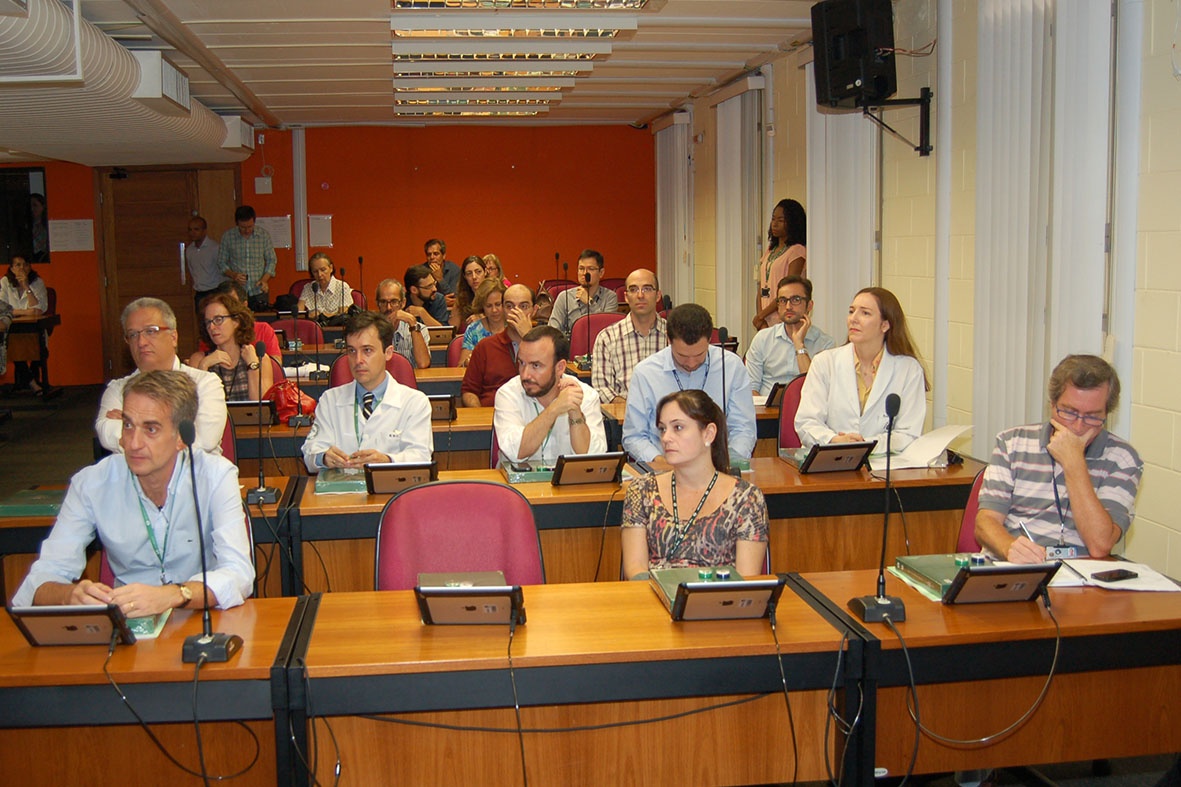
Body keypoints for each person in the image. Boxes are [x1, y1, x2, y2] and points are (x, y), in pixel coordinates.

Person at [13, 370, 254, 614]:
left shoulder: (215, 476)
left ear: (182, 437)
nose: (132, 443)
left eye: (150, 429)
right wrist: (68, 595)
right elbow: (40, 579)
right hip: (128, 627)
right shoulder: (91, 483)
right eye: (128, 425)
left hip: (200, 619)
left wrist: (174, 594)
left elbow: (239, 573)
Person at [975, 354, 1143, 563]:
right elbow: (986, 521)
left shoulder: (1123, 459)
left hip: (1081, 576)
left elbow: (1100, 545)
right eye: (1069, 412)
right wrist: (1008, 547)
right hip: (1016, 566)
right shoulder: (1012, 443)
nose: (1078, 426)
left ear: (1107, 413)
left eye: (1092, 416)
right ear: (1052, 404)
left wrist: (1074, 463)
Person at [621, 390, 769, 580]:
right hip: (654, 601)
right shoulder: (641, 490)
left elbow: (745, 580)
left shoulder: (746, 498)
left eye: (678, 428)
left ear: (708, 434)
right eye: (662, 429)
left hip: (719, 603)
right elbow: (635, 570)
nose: (666, 438)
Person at [795, 287, 927, 453]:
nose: (853, 319)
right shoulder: (825, 362)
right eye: (851, 311)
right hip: (830, 460)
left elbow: (908, 433)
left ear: (885, 325)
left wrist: (865, 444)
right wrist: (835, 440)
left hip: (884, 465)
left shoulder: (909, 369)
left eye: (865, 313)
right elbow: (807, 422)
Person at [622, 303, 755, 465]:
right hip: (665, 465)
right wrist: (661, 462)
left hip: (718, 467)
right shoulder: (646, 373)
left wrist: (730, 461)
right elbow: (634, 437)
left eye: (699, 354)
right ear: (669, 340)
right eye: (682, 355)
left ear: (709, 340)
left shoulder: (731, 366)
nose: (691, 363)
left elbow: (743, 429)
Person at [301, 310, 432, 472]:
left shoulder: (415, 402)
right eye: (352, 351)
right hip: (342, 493)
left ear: (388, 353)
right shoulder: (330, 400)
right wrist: (323, 458)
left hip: (391, 491)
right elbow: (310, 454)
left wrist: (388, 460)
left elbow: (421, 456)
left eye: (367, 350)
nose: (358, 360)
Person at [96, 298, 227, 454]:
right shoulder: (117, 390)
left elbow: (203, 441)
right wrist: (173, 429)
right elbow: (106, 432)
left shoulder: (204, 384)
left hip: (195, 476)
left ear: (173, 337)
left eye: (151, 331)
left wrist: (133, 426)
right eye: (132, 335)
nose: (141, 342)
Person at [493, 326, 607, 466]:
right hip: (518, 486)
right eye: (521, 363)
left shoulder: (586, 395)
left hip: (570, 485)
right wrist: (554, 409)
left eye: (536, 365)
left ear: (560, 367)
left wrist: (575, 413)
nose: (525, 374)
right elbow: (516, 452)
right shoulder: (508, 394)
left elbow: (593, 459)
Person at [745, 275, 835, 394]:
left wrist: (799, 345)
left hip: (806, 410)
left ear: (809, 305)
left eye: (796, 300)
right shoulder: (763, 339)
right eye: (783, 300)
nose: (788, 307)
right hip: (766, 410)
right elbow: (750, 388)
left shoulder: (825, 344)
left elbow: (816, 390)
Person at [591, 268, 667, 404]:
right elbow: (602, 389)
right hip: (624, 418)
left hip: (669, 417)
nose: (640, 295)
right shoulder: (607, 338)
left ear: (658, 295)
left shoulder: (673, 336)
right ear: (626, 297)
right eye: (633, 289)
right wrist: (632, 410)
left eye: (647, 289)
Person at [188, 293, 273, 401]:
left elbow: (261, 408)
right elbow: (194, 408)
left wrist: (252, 366)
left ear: (236, 321)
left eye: (218, 319)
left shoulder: (260, 358)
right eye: (208, 322)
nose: (212, 327)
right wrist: (204, 366)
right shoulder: (199, 359)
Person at [461, 284, 534, 407]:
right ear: (503, 310)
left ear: (534, 310)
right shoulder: (485, 346)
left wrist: (528, 337)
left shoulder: (546, 345)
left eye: (523, 306)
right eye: (509, 306)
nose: (516, 312)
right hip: (492, 415)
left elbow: (553, 385)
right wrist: (480, 415)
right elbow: (469, 392)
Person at [752, 199, 807, 331]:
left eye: (781, 221)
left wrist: (761, 316)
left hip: (783, 319)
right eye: (773, 219)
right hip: (765, 319)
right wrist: (761, 319)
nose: (774, 224)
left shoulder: (797, 251)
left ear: (792, 223)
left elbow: (789, 288)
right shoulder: (770, 250)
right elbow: (761, 287)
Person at [1, 254, 49, 393]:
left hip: (33, 328)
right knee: (13, 346)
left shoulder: (37, 282)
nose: (22, 268)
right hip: (11, 328)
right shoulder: (5, 282)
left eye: (25, 264)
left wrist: (26, 286)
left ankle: (33, 382)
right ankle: (33, 383)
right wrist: (26, 312)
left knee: (36, 347)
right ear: (11, 268)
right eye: (17, 265)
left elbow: (41, 308)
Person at [218, 205, 276, 312]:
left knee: (261, 321)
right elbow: (221, 262)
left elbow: (271, 260)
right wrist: (233, 275)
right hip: (238, 291)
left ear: (254, 221)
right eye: (243, 227)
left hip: (258, 290)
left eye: (250, 226)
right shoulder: (228, 237)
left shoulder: (263, 236)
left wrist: (264, 280)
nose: (247, 230)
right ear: (237, 223)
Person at [548, 249, 619, 334]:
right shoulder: (564, 297)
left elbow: (607, 329)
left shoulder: (610, 297)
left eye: (591, 269)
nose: (585, 273)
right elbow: (552, 330)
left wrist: (590, 302)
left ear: (601, 273)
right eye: (581, 269)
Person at [209, 280, 282, 359]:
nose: (227, 310)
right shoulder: (212, 331)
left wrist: (254, 361)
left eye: (232, 304)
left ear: (244, 305)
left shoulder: (263, 329)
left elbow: (276, 365)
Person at [375, 278, 431, 369]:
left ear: (403, 303)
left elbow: (423, 364)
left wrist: (413, 325)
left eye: (394, 302)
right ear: (377, 303)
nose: (388, 307)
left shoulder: (419, 328)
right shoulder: (370, 331)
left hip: (409, 382)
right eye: (383, 302)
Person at [460, 279, 507, 367]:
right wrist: (467, 362)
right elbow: (461, 366)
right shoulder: (473, 329)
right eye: (488, 306)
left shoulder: (513, 326)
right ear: (482, 306)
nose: (494, 310)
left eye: (498, 304)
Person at [297, 252, 354, 321]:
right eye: (315, 271)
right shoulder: (308, 288)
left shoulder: (342, 287)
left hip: (335, 329)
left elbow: (344, 312)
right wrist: (308, 315)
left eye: (323, 270)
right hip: (314, 328)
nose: (320, 274)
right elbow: (299, 312)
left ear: (331, 268)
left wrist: (323, 316)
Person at [185, 215, 222, 313]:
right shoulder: (189, 250)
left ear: (204, 230)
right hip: (199, 293)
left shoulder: (215, 248)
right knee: (201, 323)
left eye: (196, 229)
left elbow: (221, 270)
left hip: (214, 292)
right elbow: (192, 271)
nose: (192, 232)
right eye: (190, 229)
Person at [453, 255, 487, 328]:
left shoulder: (495, 295)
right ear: (465, 276)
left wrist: (482, 318)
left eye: (478, 272)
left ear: (485, 272)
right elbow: (452, 331)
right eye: (469, 273)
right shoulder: (460, 300)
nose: (474, 277)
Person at [29, 192, 49, 262]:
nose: (32, 209)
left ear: (43, 206)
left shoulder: (48, 225)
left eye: (35, 205)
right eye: (30, 206)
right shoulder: (26, 226)